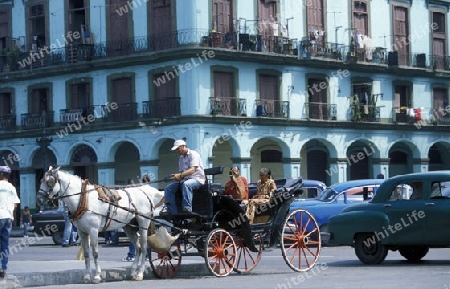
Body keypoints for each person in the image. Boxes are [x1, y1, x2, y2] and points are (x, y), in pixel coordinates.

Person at [164, 139, 206, 214]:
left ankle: (187, 208)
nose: (177, 151)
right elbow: (182, 173)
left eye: (178, 149)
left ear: (183, 146)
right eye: (176, 149)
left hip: (197, 179)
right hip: (185, 180)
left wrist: (180, 175)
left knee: (186, 184)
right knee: (168, 188)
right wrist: (177, 177)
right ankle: (172, 211)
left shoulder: (194, 154)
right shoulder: (181, 158)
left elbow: (192, 170)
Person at [0, 165, 20, 278]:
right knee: (5, 244)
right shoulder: (12, 187)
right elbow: (15, 203)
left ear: (2, 174)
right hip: (8, 217)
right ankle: (4, 267)